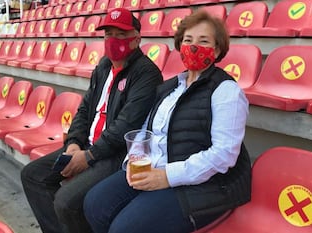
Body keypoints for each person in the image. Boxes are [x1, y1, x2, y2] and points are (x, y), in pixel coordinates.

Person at [83, 10, 252, 233]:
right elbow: (146, 129)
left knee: (124, 228)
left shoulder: (226, 91)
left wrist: (166, 176)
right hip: (155, 167)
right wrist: (133, 161)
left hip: (205, 184)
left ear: (217, 49)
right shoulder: (170, 87)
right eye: (188, 40)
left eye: (203, 41)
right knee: (94, 204)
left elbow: (223, 155)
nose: (193, 47)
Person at [20, 8, 163, 233]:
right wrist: (74, 143)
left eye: (120, 34)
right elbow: (85, 109)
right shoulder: (104, 66)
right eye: (108, 34)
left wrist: (89, 156)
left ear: (137, 38)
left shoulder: (146, 73)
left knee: (66, 201)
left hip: (114, 154)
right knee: (32, 175)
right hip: (86, 147)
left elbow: (126, 125)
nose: (112, 40)